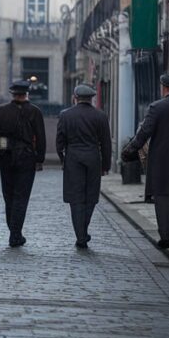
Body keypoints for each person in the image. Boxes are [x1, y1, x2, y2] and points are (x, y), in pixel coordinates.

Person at [121, 73, 169, 249]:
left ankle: (167, 236)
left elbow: (144, 132)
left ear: (163, 87)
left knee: (163, 196)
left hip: (161, 161)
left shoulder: (156, 107)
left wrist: (129, 149)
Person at [0, 79, 46, 247]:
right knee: (21, 197)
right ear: (27, 94)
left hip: (5, 158)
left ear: (12, 94)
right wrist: (39, 159)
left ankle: (14, 232)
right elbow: (41, 138)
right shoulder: (35, 112)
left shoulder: (0, 111)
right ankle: (15, 234)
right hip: (26, 158)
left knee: (9, 197)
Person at [56, 84, 111, 249]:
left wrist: (62, 159)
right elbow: (106, 143)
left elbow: (59, 142)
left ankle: (80, 234)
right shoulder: (100, 116)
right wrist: (105, 165)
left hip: (73, 158)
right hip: (93, 158)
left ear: (75, 97)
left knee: (75, 198)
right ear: (91, 98)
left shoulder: (66, 116)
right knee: (90, 197)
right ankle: (83, 231)